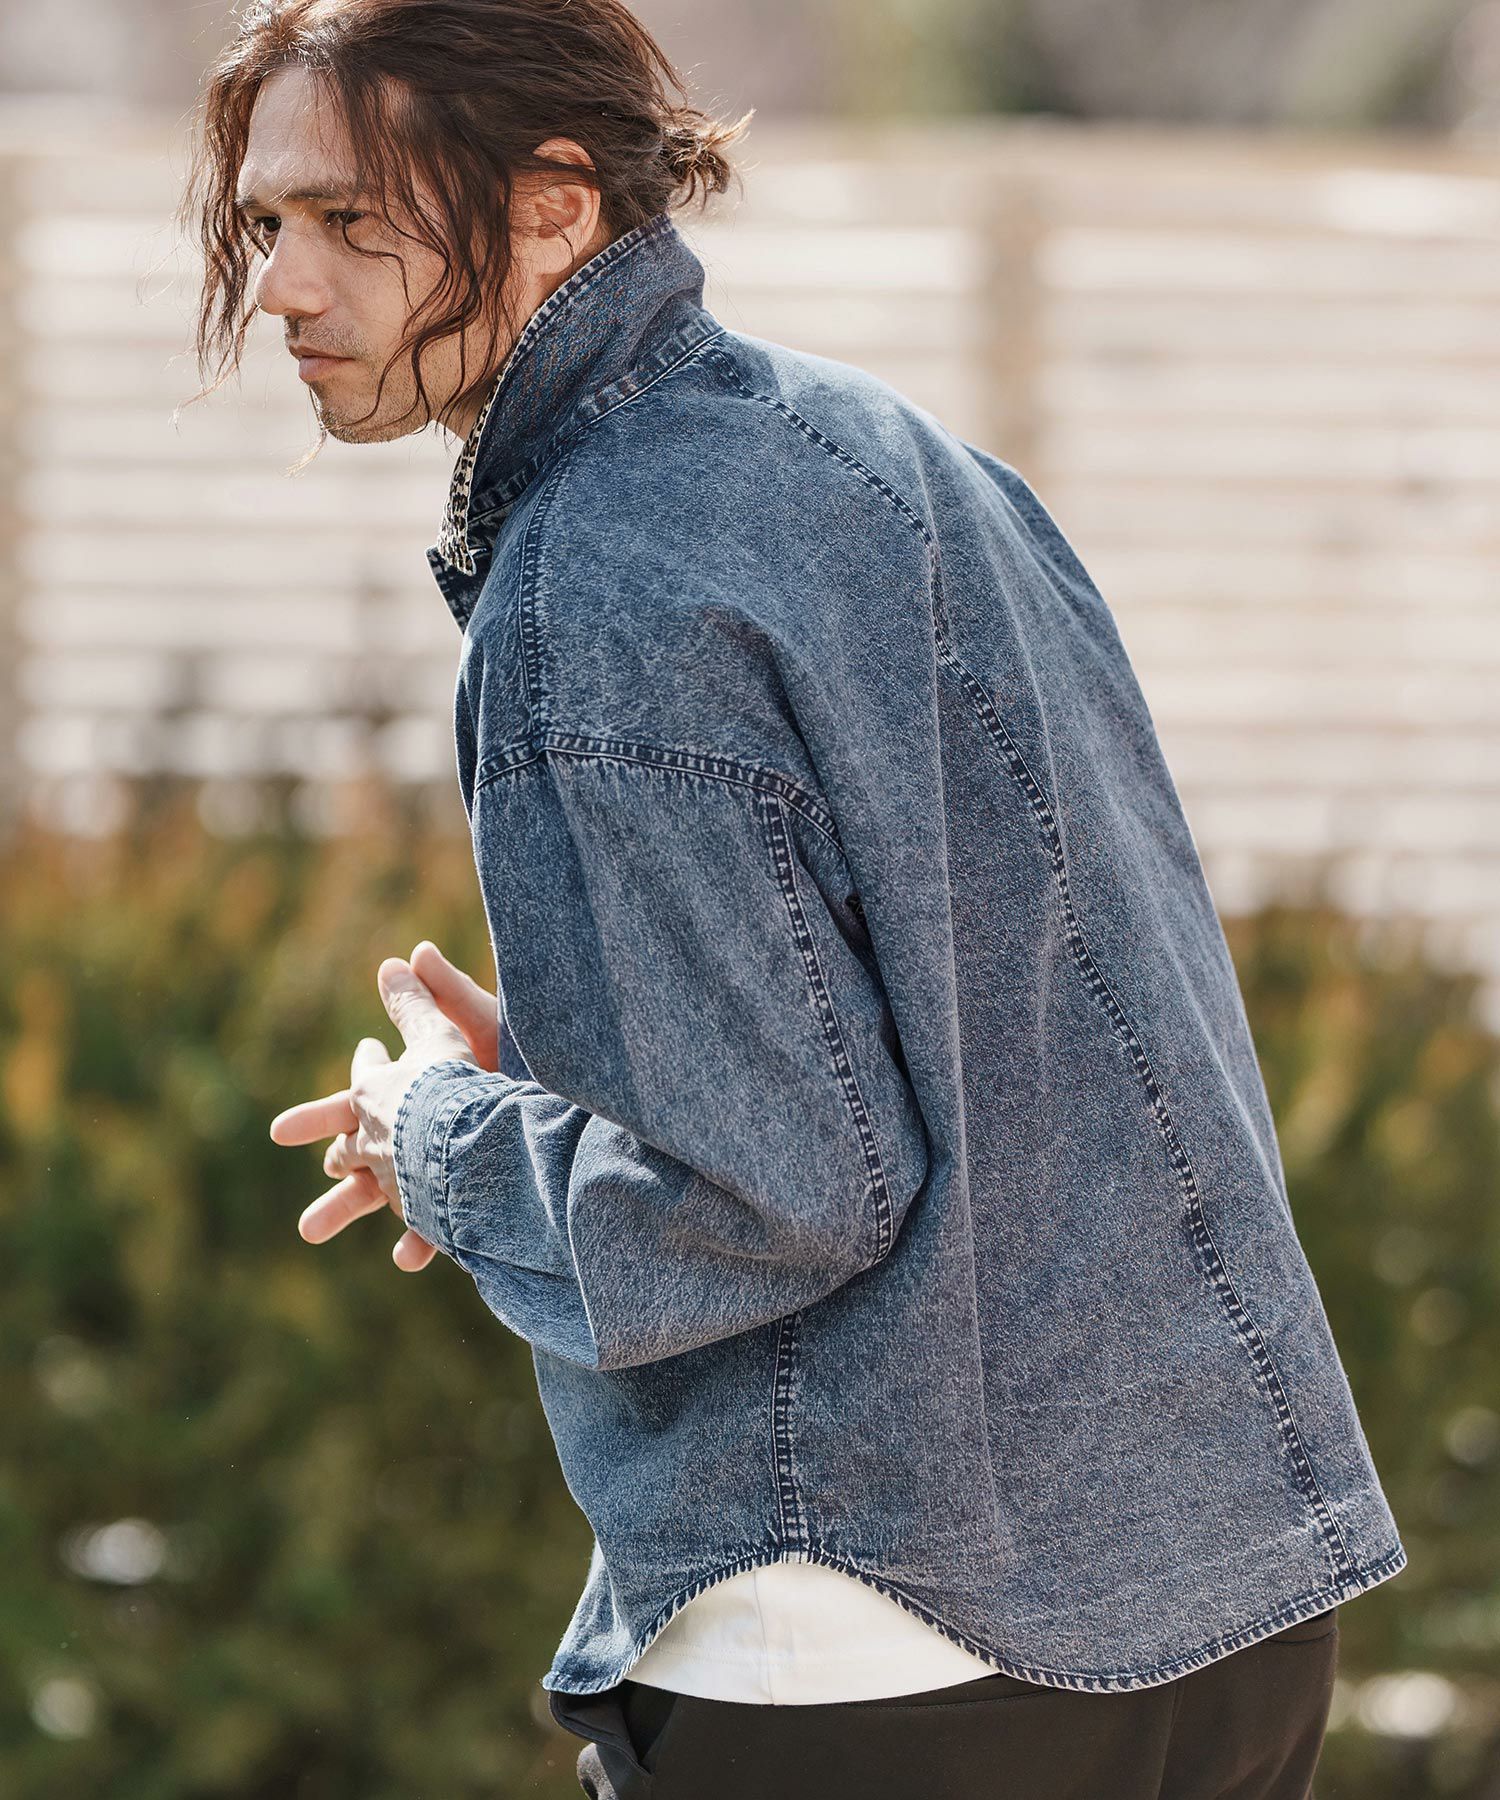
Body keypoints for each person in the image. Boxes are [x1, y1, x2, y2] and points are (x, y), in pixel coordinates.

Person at [183, 1, 1407, 1793]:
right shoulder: (885, 453)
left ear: (552, 203)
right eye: (267, 224)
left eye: (350, 219)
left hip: (881, 1642)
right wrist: (593, 1065)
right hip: (1222, 1598)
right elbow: (979, 1006)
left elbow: (769, 1203)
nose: (285, 287)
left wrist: (440, 1134)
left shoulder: (598, 575)